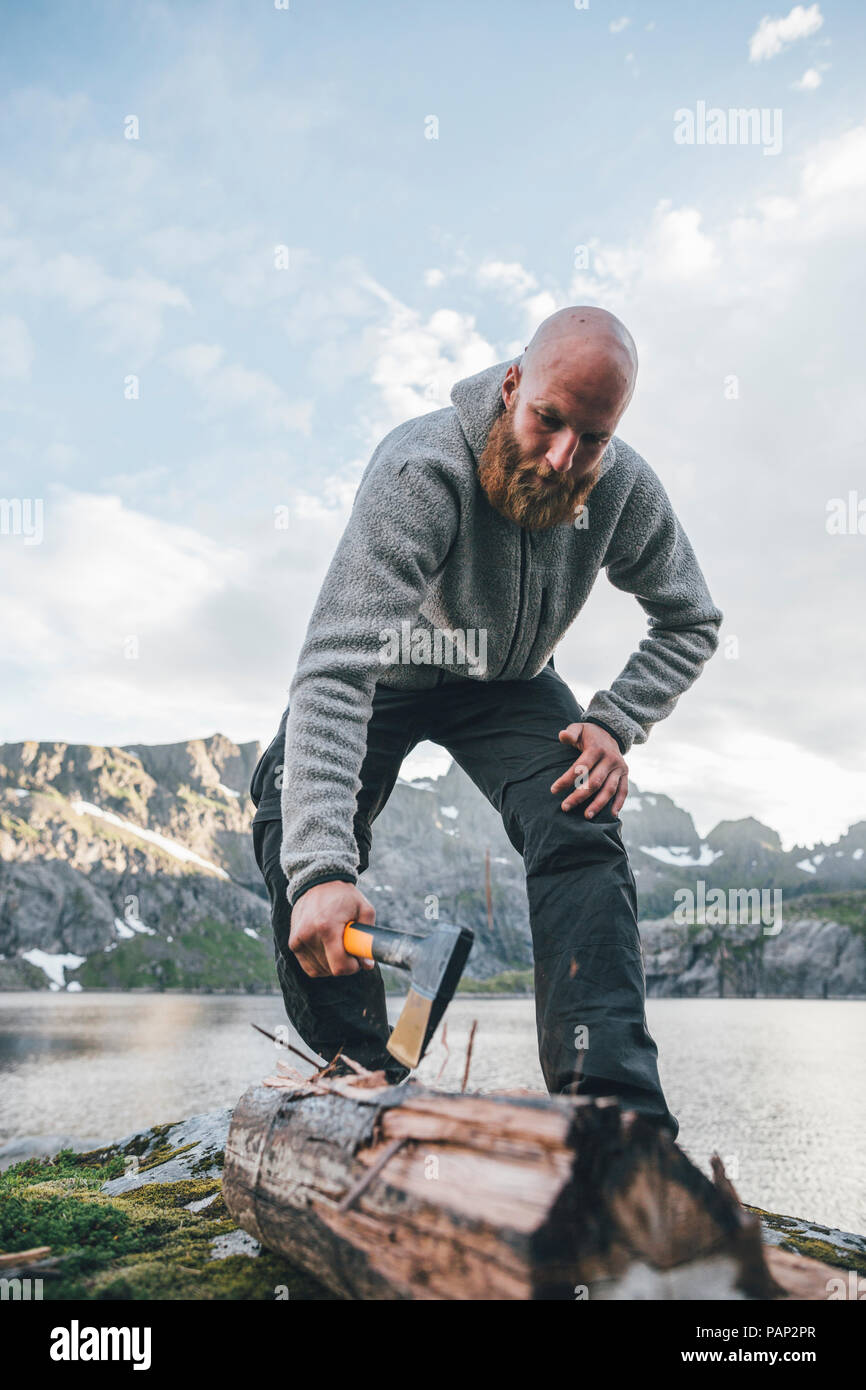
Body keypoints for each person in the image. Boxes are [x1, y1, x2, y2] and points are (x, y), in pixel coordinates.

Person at [250, 306, 723, 1135]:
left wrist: (616, 720)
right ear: (512, 386)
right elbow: (336, 666)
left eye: (594, 436)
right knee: (294, 815)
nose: (565, 457)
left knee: (581, 814)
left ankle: (614, 1123)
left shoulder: (617, 488)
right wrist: (322, 869)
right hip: (389, 668)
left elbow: (690, 619)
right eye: (548, 420)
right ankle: (365, 1083)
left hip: (509, 682)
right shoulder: (422, 470)